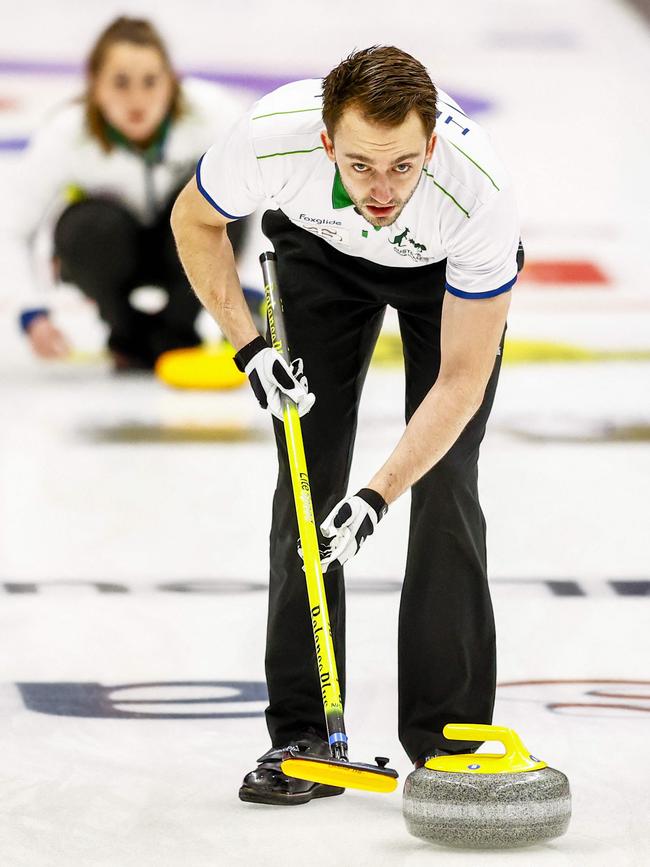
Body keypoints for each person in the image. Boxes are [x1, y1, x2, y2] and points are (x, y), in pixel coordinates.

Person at [171, 46, 524, 805]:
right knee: (306, 472)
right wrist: (249, 348)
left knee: (446, 481)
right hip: (319, 257)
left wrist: (377, 495)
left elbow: (462, 378)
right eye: (361, 165)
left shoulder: (477, 193)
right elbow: (193, 219)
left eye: (403, 166)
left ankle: (451, 737)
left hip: (444, 277)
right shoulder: (276, 135)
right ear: (327, 142)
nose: (382, 190)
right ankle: (300, 733)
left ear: (432, 145)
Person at [1, 16, 254, 370]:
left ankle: (177, 331)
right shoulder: (66, 134)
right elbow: (11, 227)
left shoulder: (213, 115)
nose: (137, 99)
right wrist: (31, 312)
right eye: (120, 83)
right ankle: (126, 333)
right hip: (112, 255)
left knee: (220, 204)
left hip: (185, 253)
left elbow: (265, 193)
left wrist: (254, 294)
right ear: (95, 85)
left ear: (171, 82)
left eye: (150, 82)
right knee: (86, 225)